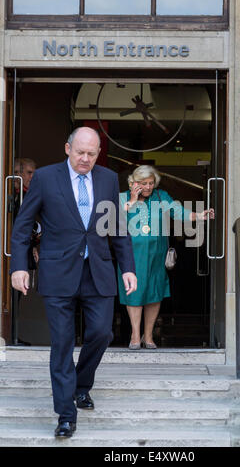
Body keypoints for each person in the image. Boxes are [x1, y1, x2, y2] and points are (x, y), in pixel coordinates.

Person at [10, 127, 137, 438]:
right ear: (67, 148)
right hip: (57, 271)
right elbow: (23, 224)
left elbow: (116, 226)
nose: (85, 159)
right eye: (80, 152)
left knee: (101, 332)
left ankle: (82, 384)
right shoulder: (45, 177)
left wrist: (128, 268)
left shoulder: (107, 179)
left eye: (91, 154)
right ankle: (66, 414)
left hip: (98, 270)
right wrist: (19, 267)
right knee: (63, 343)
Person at [117, 165, 214, 350]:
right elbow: (116, 220)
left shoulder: (161, 197)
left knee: (154, 292)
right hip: (131, 255)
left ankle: (149, 335)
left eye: (151, 183)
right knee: (134, 292)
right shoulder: (122, 198)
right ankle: (135, 335)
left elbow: (179, 213)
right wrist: (133, 199)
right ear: (133, 183)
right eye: (143, 183)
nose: (148, 187)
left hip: (156, 254)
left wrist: (200, 215)